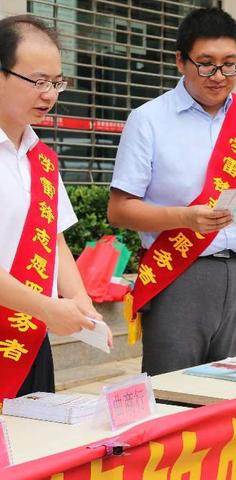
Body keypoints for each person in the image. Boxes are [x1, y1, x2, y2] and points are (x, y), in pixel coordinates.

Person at [108, 7, 236, 376]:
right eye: (206, 64)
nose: (219, 76)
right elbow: (119, 210)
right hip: (179, 274)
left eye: (230, 65)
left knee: (229, 397)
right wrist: (185, 218)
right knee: (172, 393)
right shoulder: (149, 120)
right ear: (181, 61)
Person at [0, 15, 103, 402]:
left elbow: (53, 240)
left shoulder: (41, 158)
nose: (50, 94)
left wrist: (79, 301)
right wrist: (49, 307)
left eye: (57, 83)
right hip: (26, 322)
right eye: (38, 81)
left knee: (33, 456)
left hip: (29, 341)